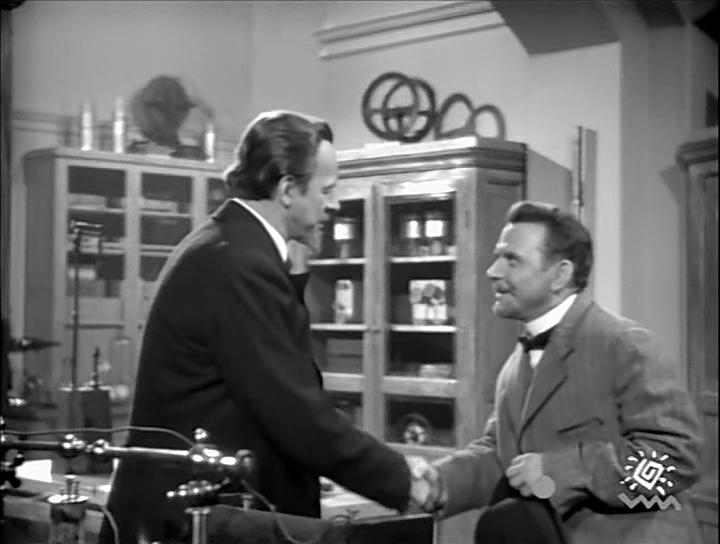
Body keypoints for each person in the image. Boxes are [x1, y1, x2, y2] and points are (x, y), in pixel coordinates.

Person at [100, 111, 421, 544]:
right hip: (190, 525)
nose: (334, 205)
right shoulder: (239, 264)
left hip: (206, 515)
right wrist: (404, 480)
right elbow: (295, 413)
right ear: (287, 189)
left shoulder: (230, 246)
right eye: (326, 191)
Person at [414, 201, 703, 543]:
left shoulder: (623, 345)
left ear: (561, 275)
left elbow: (676, 460)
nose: (493, 271)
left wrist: (562, 470)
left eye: (512, 260)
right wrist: (438, 483)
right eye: (497, 257)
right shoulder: (517, 362)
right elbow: (503, 457)